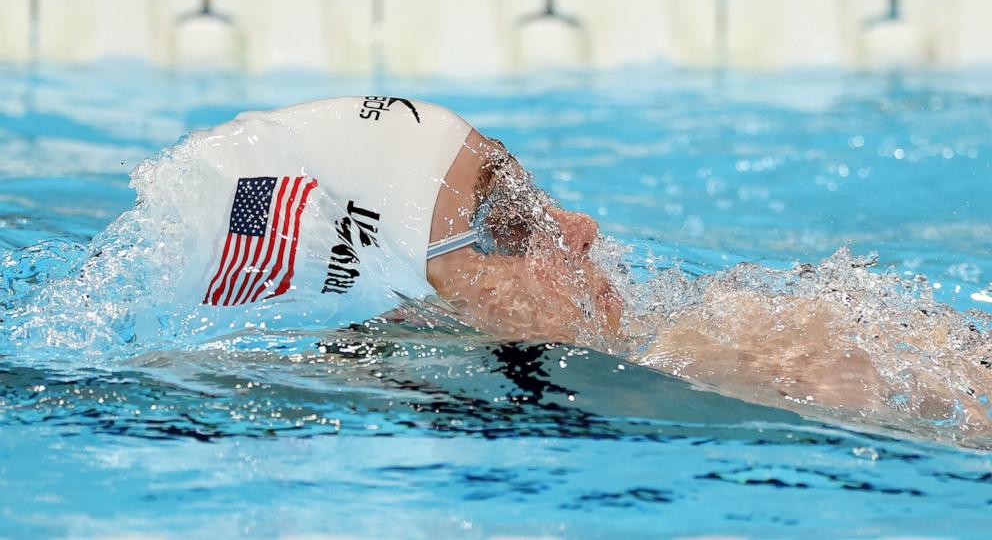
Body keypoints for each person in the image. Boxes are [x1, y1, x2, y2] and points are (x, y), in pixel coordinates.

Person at [185, 96, 991, 444]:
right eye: (507, 226)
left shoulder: (743, 341)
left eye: (537, 196)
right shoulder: (756, 362)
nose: (576, 228)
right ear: (406, 308)